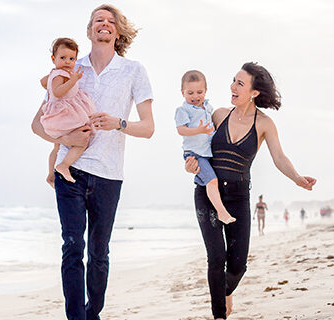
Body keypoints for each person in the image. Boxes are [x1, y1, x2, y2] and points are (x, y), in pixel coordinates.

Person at [31, 4, 154, 319]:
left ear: (118, 31)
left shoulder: (134, 71)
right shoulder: (69, 68)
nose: (105, 23)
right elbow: (38, 124)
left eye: (111, 21)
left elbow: (149, 128)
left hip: (109, 175)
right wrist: (65, 140)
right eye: (98, 19)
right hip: (70, 172)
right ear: (89, 30)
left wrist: (119, 123)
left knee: (99, 254)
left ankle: (92, 312)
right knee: (72, 247)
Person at [185, 62, 316, 320]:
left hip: (238, 196)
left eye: (240, 83)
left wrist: (297, 178)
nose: (233, 87)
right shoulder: (218, 115)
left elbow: (279, 157)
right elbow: (194, 143)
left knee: (237, 266)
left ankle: (225, 291)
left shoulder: (264, 124)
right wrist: (190, 164)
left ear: (254, 92)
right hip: (207, 193)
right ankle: (219, 315)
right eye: (234, 81)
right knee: (216, 257)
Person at [175, 70, 235, 224]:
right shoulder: (183, 110)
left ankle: (216, 209)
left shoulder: (208, 107)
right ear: (183, 93)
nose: (195, 97)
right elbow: (181, 129)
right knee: (212, 181)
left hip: (207, 152)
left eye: (199, 92)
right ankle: (221, 213)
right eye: (190, 93)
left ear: (205, 91)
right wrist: (198, 130)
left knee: (209, 181)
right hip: (195, 154)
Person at [40, 38, 97, 186]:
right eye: (63, 58)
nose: (67, 62)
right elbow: (58, 92)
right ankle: (64, 165)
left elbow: (43, 82)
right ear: (54, 59)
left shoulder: (54, 73)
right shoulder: (61, 75)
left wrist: (49, 87)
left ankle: (51, 174)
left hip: (60, 113)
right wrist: (72, 80)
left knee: (57, 146)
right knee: (83, 139)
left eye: (72, 59)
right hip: (64, 113)